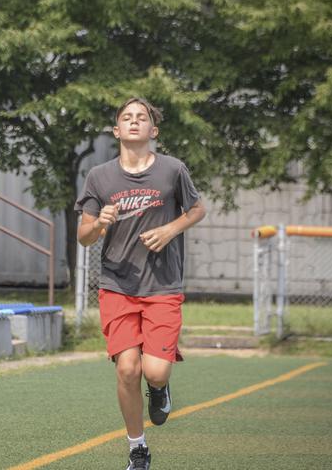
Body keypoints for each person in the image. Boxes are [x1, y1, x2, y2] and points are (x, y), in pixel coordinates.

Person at [75, 97, 206, 470]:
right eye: (127, 118)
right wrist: (99, 223)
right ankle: (138, 449)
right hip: (117, 284)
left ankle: (160, 390)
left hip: (163, 285)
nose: (134, 122)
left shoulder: (172, 170)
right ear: (116, 131)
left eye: (142, 118)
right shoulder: (99, 177)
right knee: (127, 368)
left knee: (155, 371)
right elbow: (84, 236)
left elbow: (197, 209)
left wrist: (170, 228)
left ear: (153, 130)